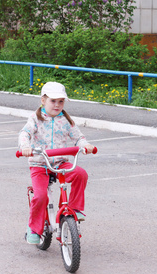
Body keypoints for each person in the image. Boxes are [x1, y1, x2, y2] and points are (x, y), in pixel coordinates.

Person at [18, 81, 95, 244]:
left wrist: (85, 145)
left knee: (80, 174)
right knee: (40, 196)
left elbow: (78, 137)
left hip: (60, 163)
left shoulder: (65, 120)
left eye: (61, 101)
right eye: (53, 101)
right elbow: (25, 133)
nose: (57, 105)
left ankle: (72, 208)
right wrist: (25, 147)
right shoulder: (35, 119)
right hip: (40, 164)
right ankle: (34, 228)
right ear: (43, 100)